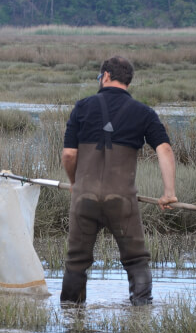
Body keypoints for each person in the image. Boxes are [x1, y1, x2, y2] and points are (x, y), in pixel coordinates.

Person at [60, 56, 176, 306]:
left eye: (99, 77)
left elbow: (69, 154)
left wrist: (75, 183)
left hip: (84, 198)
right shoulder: (144, 112)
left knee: (76, 261)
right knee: (136, 260)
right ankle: (141, 314)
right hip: (122, 200)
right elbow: (164, 150)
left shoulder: (82, 107)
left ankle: (70, 318)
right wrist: (169, 193)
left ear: (106, 76)